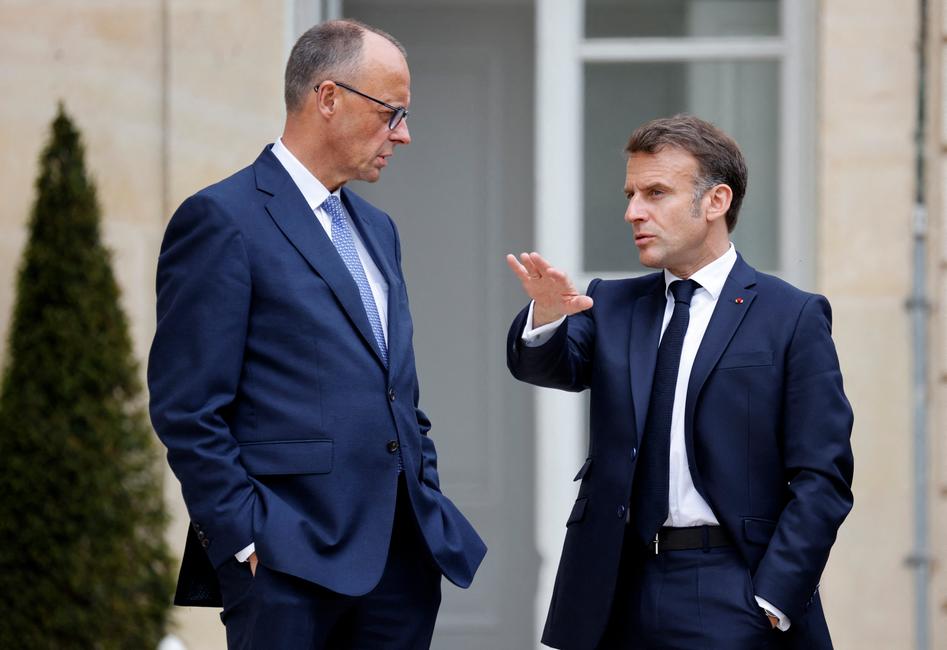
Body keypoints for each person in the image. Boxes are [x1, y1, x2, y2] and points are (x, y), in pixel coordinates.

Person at [148, 19, 485, 650]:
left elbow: (396, 395)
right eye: (393, 113)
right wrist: (243, 538)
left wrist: (425, 492)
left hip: (401, 564)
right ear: (328, 98)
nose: (404, 135)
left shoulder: (378, 230)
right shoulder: (222, 220)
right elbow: (187, 407)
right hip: (287, 565)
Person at [506, 114, 853, 650]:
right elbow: (551, 366)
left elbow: (822, 477)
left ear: (716, 201)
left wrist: (772, 602)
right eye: (631, 194)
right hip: (613, 590)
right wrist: (546, 317)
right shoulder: (614, 303)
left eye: (655, 193)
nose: (632, 212)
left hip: (730, 587)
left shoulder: (790, 316)